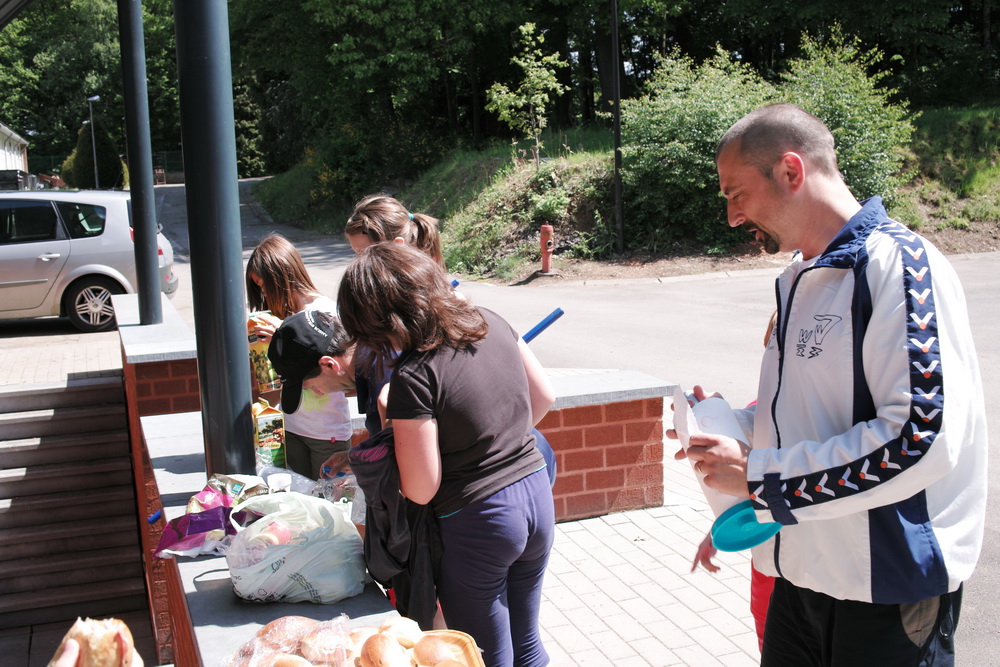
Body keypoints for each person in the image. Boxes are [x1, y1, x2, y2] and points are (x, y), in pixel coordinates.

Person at [677, 103, 988, 666]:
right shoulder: (797, 278)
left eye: (736, 193)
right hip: (800, 580)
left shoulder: (903, 264)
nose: (731, 216)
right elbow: (817, 416)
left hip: (886, 590)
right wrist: (732, 426)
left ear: (791, 171)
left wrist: (760, 479)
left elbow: (918, 440)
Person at [338, 242, 556, 667]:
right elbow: (543, 397)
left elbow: (421, 488)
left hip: (480, 521)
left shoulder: (413, 375)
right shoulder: (489, 320)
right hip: (535, 494)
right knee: (526, 643)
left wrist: (389, 430)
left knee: (483, 656)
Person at [343, 193, 558, 487]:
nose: (358, 266)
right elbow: (540, 394)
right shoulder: (463, 309)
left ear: (397, 248)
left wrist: (480, 456)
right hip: (523, 469)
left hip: (475, 488)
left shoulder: (422, 320)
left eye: (362, 254)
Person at [245, 233, 353, 479]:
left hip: (327, 432)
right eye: (257, 287)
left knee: (329, 505)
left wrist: (282, 339)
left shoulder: (324, 311)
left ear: (282, 277)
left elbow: (339, 370)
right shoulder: (280, 316)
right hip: (290, 425)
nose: (262, 294)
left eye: (264, 285)